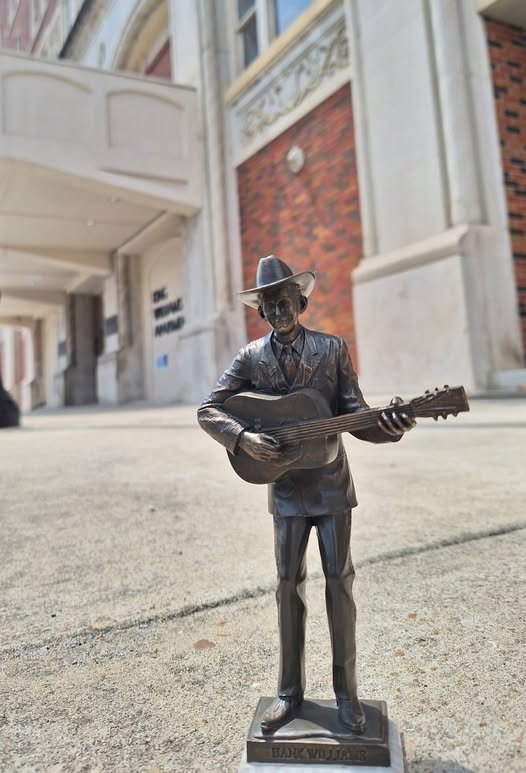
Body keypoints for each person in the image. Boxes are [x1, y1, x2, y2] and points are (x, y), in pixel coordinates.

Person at [197, 256, 415, 734]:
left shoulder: (332, 349)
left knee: (339, 582)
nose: (279, 311)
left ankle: (347, 695)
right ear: (261, 311)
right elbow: (209, 410)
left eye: (286, 301)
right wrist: (242, 439)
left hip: (332, 486)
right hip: (286, 489)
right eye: (270, 305)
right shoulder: (250, 357)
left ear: (301, 302)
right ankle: (288, 693)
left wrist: (391, 427)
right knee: (286, 587)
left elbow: (355, 414)